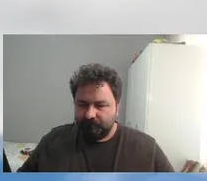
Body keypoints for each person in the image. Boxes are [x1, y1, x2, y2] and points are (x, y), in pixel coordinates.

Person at [18, 62, 175, 172]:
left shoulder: (147, 149)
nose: (89, 114)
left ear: (117, 107)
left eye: (100, 105)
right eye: (82, 104)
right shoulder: (52, 143)